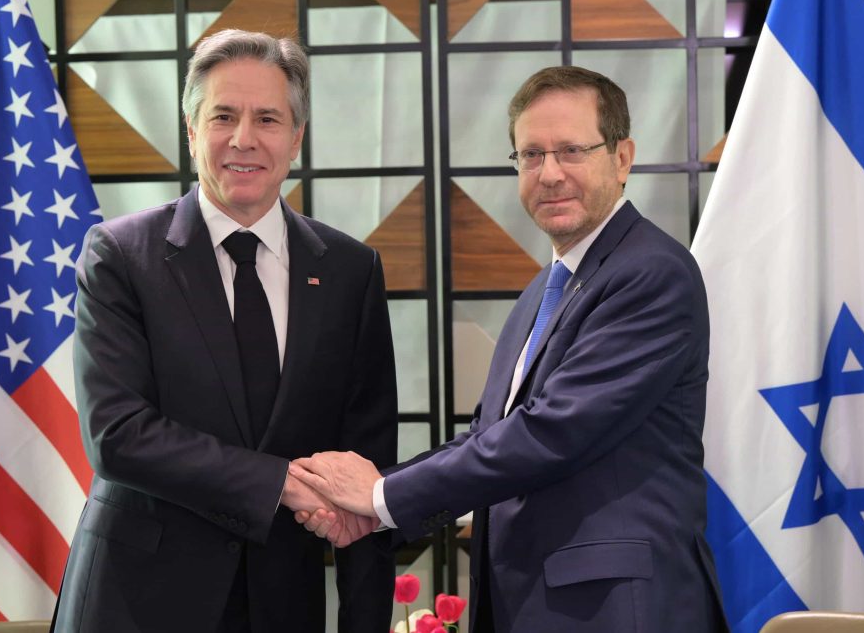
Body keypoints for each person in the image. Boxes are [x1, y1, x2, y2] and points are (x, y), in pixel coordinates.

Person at [292, 66, 729, 632]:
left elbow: (550, 433)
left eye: (571, 150)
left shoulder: (651, 273)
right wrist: (375, 510)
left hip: (618, 611)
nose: (549, 174)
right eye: (530, 155)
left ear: (622, 158)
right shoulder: (540, 294)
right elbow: (487, 436)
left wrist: (380, 496)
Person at [51, 29, 396, 632]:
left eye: (267, 118)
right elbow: (117, 434)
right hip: (136, 604)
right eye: (223, 117)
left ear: (296, 138)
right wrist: (280, 484)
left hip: (284, 606)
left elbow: (365, 470)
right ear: (191, 131)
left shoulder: (350, 271)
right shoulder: (121, 255)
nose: (244, 139)